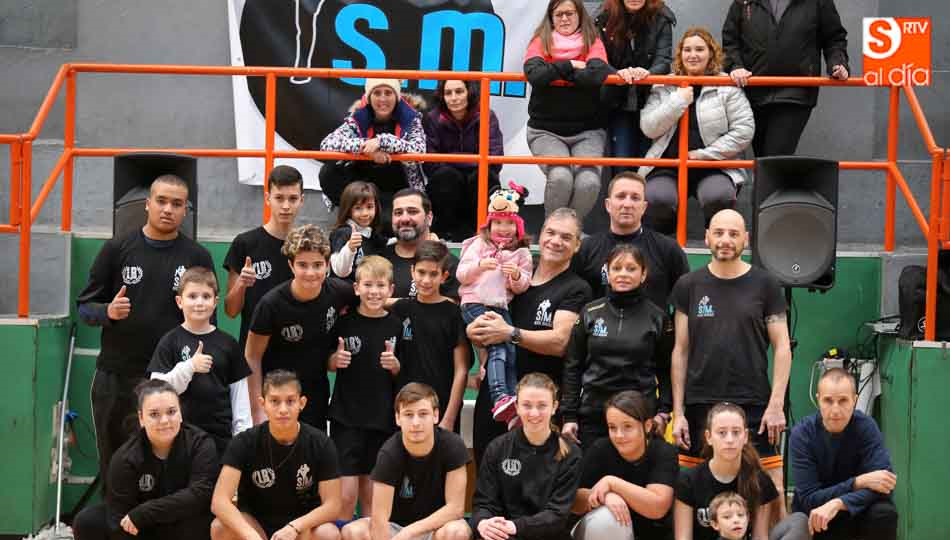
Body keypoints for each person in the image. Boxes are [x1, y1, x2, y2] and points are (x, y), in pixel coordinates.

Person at [76, 173, 214, 485]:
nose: (168, 209)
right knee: (116, 461)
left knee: (171, 463)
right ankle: (117, 526)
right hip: (118, 374)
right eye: (161, 201)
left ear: (185, 211)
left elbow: (209, 323)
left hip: (172, 379)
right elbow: (84, 307)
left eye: (176, 204)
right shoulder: (117, 249)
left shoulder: (197, 256)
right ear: (147, 205)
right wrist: (108, 311)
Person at [670, 209, 791, 496]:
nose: (726, 240)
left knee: (771, 488)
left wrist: (775, 406)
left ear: (746, 240)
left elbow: (783, 347)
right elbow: (680, 351)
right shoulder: (689, 285)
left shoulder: (766, 284)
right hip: (700, 404)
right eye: (720, 233)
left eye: (734, 234)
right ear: (707, 237)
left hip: (754, 403)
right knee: (693, 489)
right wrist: (679, 412)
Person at [467, 208, 592, 464]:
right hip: (496, 400)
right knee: (487, 481)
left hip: (538, 408)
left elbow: (560, 342)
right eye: (551, 233)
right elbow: (481, 318)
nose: (556, 241)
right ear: (539, 236)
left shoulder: (576, 288)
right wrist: (475, 335)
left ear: (577, 245)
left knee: (533, 489)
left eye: (566, 237)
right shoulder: (514, 274)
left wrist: (510, 333)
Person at [572, 172, 689, 426]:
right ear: (607, 204)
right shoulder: (587, 250)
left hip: (645, 379)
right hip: (596, 380)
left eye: (635, 198)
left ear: (645, 206)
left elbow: (684, 306)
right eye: (621, 196)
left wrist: (666, 406)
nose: (627, 203)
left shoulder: (667, 250)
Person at [639, 27, 754, 234]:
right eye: (687, 50)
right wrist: (677, 102)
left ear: (711, 53)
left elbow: (744, 130)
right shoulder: (665, 84)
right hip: (667, 164)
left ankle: (716, 242)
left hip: (714, 165)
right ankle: (663, 246)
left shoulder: (726, 86)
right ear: (680, 54)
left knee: (719, 196)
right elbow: (648, 127)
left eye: (700, 49)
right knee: (657, 199)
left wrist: (702, 155)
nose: (693, 55)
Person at [72, 380, 218, 540]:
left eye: (171, 412)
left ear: (181, 413)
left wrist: (146, 511)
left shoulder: (201, 443)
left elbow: (200, 494)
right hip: (144, 530)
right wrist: (141, 518)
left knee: (214, 521)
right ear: (141, 418)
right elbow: (119, 521)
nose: (164, 421)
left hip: (182, 522)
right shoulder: (125, 458)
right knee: (88, 521)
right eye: (154, 414)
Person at [245, 224, 356, 427]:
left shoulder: (340, 293)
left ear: (327, 264)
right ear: (291, 266)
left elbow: (374, 300)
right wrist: (257, 411)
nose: (311, 272)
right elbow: (252, 356)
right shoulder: (271, 305)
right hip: (278, 396)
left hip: (317, 394)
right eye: (303, 265)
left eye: (317, 265)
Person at [211, 370, 342, 540]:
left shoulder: (320, 443)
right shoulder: (244, 442)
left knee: (328, 534)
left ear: (301, 403)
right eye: (274, 401)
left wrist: (295, 527)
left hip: (302, 525)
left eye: (290, 401)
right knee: (220, 527)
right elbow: (219, 501)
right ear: (263, 403)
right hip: (255, 524)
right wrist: (251, 535)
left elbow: (333, 505)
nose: (283, 409)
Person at [562, 245, 668, 449]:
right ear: (607, 272)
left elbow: (665, 368)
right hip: (593, 415)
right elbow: (573, 366)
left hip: (639, 415)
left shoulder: (657, 317)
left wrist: (664, 412)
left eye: (631, 268)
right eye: (617, 268)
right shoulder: (590, 312)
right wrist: (569, 416)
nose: (623, 274)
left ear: (643, 274)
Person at [340, 383, 472, 540]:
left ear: (436, 416)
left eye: (423, 414)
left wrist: (410, 532)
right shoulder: (389, 453)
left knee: (457, 531)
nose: (416, 423)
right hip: (396, 530)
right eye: (409, 415)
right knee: (353, 531)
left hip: (437, 527)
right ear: (398, 418)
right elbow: (380, 519)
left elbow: (455, 509)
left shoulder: (452, 445)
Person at [327, 255, 403, 520]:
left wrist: (395, 366)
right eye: (368, 285)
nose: (374, 291)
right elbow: (325, 360)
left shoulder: (396, 325)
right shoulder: (343, 323)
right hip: (346, 419)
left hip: (382, 420)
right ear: (357, 288)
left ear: (391, 290)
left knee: (372, 499)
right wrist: (333, 361)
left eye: (381, 285)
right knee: (345, 497)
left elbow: (403, 373)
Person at [781, 368, 898, 540]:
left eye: (843, 400)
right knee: (807, 520)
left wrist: (839, 503)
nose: (835, 410)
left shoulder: (867, 427)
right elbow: (809, 499)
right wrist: (858, 482)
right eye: (828, 401)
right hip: (818, 515)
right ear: (818, 400)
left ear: (854, 401)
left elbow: (884, 486)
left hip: (854, 510)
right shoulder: (802, 434)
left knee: (884, 513)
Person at [721, 0, 849, 157]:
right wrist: (735, 66)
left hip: (795, 93)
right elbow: (730, 41)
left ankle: (770, 181)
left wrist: (838, 63)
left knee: (775, 157)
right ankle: (769, 182)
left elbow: (834, 39)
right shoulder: (743, 2)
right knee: (763, 158)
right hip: (753, 91)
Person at [524, 0, 615, 219]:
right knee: (561, 177)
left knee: (589, 182)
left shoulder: (593, 41)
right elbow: (535, 74)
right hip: (545, 131)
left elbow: (595, 75)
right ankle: (553, 230)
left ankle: (570, 231)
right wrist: (571, 65)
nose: (564, 19)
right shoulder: (539, 41)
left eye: (570, 13)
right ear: (551, 18)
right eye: (559, 14)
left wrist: (553, 72)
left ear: (580, 16)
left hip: (588, 132)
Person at [149, 267, 252, 456]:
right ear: (179, 301)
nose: (199, 303)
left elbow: (240, 401)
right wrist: (189, 367)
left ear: (215, 302)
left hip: (221, 440)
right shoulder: (169, 341)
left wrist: (242, 441)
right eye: (192, 296)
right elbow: (155, 393)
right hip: (179, 439)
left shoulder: (228, 344)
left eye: (206, 296)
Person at [457, 183, 533, 427]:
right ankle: (500, 396)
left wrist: (516, 276)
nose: (504, 228)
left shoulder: (522, 253)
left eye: (509, 223)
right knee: (498, 349)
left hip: (500, 307)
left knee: (511, 350)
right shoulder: (478, 245)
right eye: (498, 222)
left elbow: (522, 287)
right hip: (474, 303)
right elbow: (461, 274)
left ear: (518, 227)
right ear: (489, 225)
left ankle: (511, 404)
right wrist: (480, 266)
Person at [472, 373, 583, 540]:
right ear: (516, 406)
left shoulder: (570, 453)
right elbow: (483, 503)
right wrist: (484, 522)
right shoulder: (498, 448)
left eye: (542, 406)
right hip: (504, 535)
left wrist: (515, 526)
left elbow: (557, 515)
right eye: (527, 405)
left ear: (554, 407)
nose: (534, 413)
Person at [571, 391, 677, 540]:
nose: (619, 435)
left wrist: (612, 483)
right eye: (612, 427)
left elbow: (658, 507)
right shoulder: (600, 449)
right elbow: (574, 501)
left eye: (627, 426)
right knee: (607, 517)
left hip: (652, 533)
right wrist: (605, 496)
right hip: (602, 532)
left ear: (647, 426)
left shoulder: (663, 452)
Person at [391, 241, 470, 432]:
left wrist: (449, 418)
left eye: (433, 274)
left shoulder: (454, 314)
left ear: (444, 276)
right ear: (412, 272)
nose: (426, 280)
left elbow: (462, 370)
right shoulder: (401, 309)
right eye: (421, 272)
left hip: (441, 411)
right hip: (407, 410)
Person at [223, 165, 305, 350]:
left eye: (292, 199)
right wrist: (241, 284)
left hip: (299, 352)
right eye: (279, 198)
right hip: (254, 354)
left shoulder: (308, 246)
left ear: (302, 200)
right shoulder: (245, 243)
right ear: (268, 198)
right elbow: (231, 311)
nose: (286, 206)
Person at [673, 403, 780, 540]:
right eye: (722, 433)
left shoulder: (760, 481)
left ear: (745, 436)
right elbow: (683, 537)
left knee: (796, 523)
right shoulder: (688, 480)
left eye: (736, 432)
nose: (730, 440)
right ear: (709, 437)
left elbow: (760, 537)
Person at [319, 78, 426, 209]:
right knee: (329, 172)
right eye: (377, 93)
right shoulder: (359, 117)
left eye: (388, 93)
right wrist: (366, 147)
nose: (383, 99)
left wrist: (382, 141)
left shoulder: (410, 118)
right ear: (369, 97)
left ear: (396, 96)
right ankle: (354, 213)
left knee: (385, 224)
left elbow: (419, 150)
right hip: (363, 186)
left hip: (397, 187)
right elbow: (327, 144)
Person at [595, 0, 677, 170]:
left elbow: (664, 60)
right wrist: (617, 74)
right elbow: (597, 60)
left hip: (652, 101)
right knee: (621, 163)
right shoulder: (603, 17)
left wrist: (648, 73)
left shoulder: (661, 17)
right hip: (616, 101)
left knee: (648, 166)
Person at [423, 79, 504, 241]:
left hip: (477, 177)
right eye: (448, 93)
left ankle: (482, 234)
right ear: (442, 97)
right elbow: (429, 163)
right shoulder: (432, 118)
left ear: (469, 93)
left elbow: (495, 159)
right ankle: (445, 234)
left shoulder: (487, 115)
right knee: (446, 176)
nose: (454, 98)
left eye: (459, 91)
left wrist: (454, 161)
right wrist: (466, 163)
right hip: (447, 182)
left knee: (482, 175)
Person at [382, 188, 460, 300]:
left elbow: (454, 307)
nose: (404, 219)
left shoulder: (447, 261)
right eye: (398, 213)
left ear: (429, 218)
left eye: (412, 211)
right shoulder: (378, 259)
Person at [329, 181, 389, 280]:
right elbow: (340, 271)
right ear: (348, 209)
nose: (365, 213)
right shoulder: (343, 233)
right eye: (358, 208)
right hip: (344, 289)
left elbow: (388, 243)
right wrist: (350, 248)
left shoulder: (371, 233)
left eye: (369, 207)